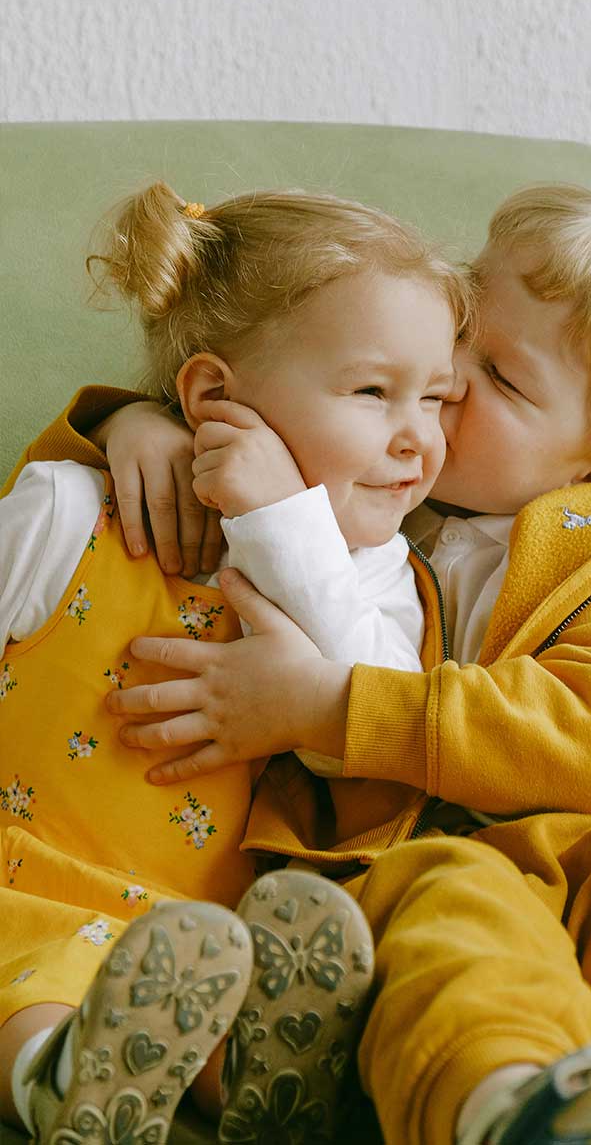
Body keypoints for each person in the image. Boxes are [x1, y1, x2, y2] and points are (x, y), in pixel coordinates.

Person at [9, 185, 591, 1144]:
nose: (449, 379)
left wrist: (331, 710)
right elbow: (271, 399)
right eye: (466, 325)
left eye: (501, 379)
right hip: (444, 864)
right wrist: (138, 424)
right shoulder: (387, 501)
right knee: (460, 960)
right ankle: (517, 1110)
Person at [0, 182, 468, 1141]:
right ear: (214, 396)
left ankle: (255, 1084)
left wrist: (281, 520)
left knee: (209, 988)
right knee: (29, 971)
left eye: (439, 397)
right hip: (16, 875)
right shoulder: (72, 510)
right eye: (375, 392)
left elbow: (370, 729)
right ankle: (65, 1083)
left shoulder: (380, 580)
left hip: (195, 938)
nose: (420, 438)